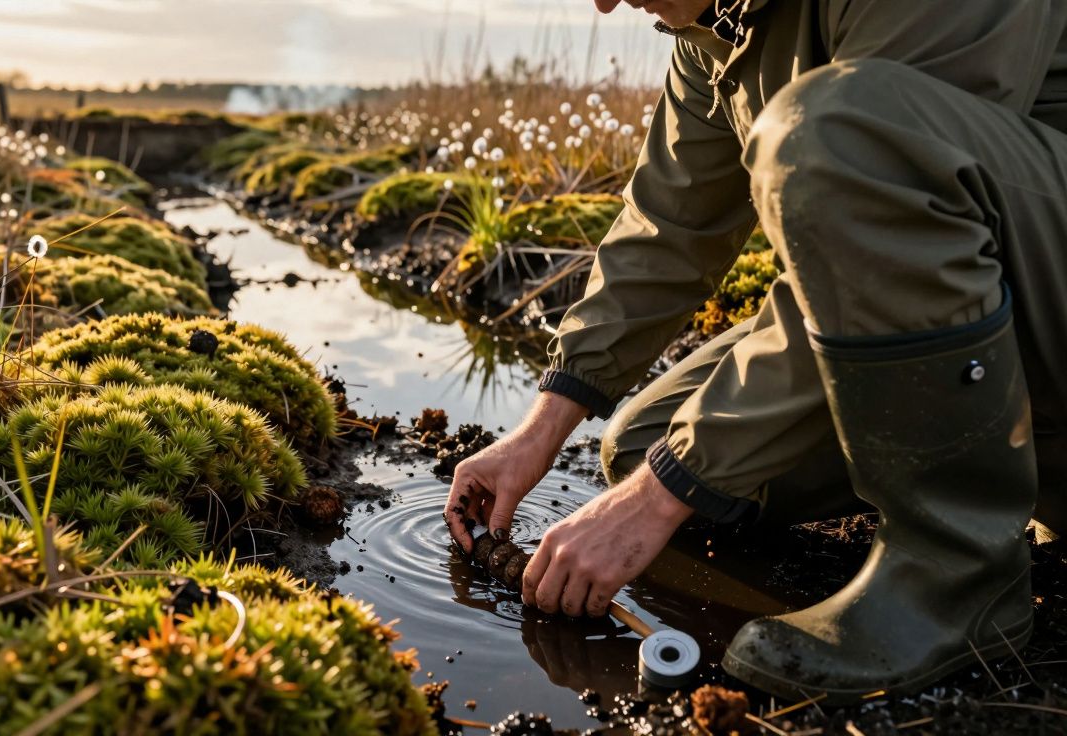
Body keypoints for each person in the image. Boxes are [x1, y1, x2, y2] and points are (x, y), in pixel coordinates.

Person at [444, 0, 1067, 703]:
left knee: (842, 122)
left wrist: (655, 498)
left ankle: (957, 577)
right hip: (988, 332)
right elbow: (667, 231)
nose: (604, 3)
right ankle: (1010, 476)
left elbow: (893, 186)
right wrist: (542, 430)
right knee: (648, 446)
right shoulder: (714, 25)